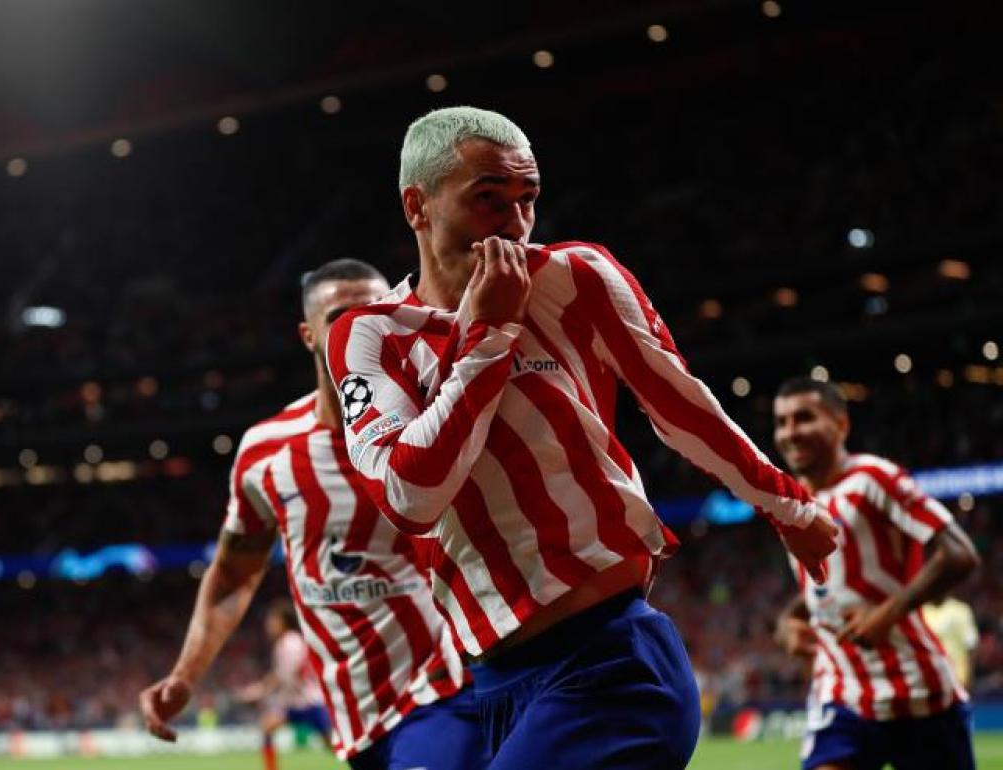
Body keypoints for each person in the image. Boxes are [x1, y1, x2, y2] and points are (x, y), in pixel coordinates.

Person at [325, 106, 838, 769]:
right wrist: (488, 336)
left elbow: (680, 404)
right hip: (495, 682)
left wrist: (784, 504)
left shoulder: (577, 276)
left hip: (612, 660)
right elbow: (410, 497)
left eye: (527, 199)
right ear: (417, 206)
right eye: (488, 199)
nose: (514, 222)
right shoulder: (370, 334)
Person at [139, 258, 487, 770]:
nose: (363, 326)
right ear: (308, 335)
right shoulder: (266, 453)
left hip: (445, 693)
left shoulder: (434, 422)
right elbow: (233, 574)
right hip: (355, 719)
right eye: (341, 317)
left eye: (377, 310)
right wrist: (185, 675)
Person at [771, 377, 979, 770]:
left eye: (804, 418)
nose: (790, 432)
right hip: (841, 695)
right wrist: (787, 621)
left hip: (917, 692)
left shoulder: (873, 478)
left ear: (841, 424)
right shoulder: (791, 505)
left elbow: (960, 554)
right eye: (781, 422)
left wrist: (888, 613)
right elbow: (828, 585)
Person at [236, 601, 332, 769]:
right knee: (267, 727)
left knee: (331, 743)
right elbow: (280, 675)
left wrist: (259, 692)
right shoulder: (287, 642)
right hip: (294, 703)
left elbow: (283, 676)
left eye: (273, 620)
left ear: (284, 622)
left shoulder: (290, 642)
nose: (269, 625)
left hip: (309, 702)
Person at [922, 594, 979, 690]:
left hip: (958, 678)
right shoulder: (922, 611)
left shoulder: (961, 610)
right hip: (930, 678)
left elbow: (971, 646)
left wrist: (970, 676)